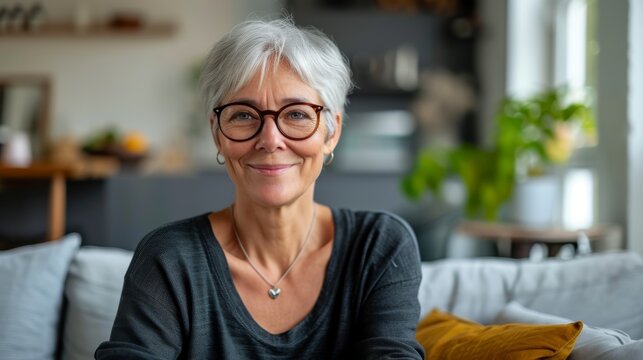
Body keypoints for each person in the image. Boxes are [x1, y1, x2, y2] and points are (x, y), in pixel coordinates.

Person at [95, 17, 424, 360]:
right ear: (217, 134)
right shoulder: (169, 258)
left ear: (331, 133)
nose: (270, 140)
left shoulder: (379, 246)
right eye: (243, 115)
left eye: (296, 114)